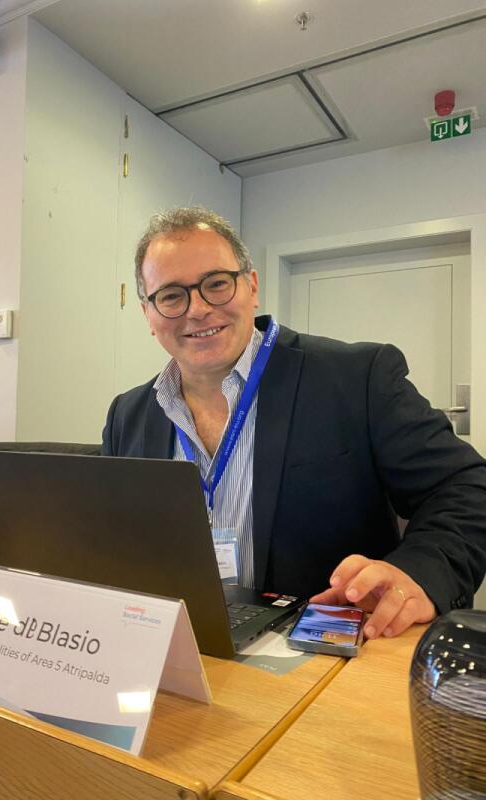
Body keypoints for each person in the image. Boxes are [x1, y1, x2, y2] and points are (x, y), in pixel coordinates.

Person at [102, 207, 486, 640]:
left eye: (217, 284)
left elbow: (467, 487)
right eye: (172, 296)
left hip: (320, 640)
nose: (198, 309)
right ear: (148, 314)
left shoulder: (357, 377)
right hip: (173, 639)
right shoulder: (127, 416)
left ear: (251, 286)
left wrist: (419, 571)